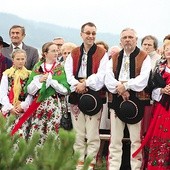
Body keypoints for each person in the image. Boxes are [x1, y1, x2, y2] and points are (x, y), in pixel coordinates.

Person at [64, 22, 109, 170]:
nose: (90, 36)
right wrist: (77, 85)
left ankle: (90, 164)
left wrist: (86, 83)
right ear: (81, 34)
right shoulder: (74, 52)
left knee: (92, 134)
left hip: (94, 96)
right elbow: (68, 73)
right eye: (88, 33)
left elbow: (102, 74)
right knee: (78, 132)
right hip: (77, 94)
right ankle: (79, 164)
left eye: (93, 33)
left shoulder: (102, 53)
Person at [105, 28, 151, 170]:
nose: (127, 39)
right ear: (120, 40)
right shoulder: (114, 57)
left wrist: (126, 86)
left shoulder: (144, 57)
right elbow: (108, 78)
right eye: (124, 37)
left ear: (136, 40)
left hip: (137, 101)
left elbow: (143, 79)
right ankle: (113, 167)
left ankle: (135, 168)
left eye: (130, 37)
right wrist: (119, 87)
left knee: (136, 140)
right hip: (116, 100)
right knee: (115, 140)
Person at [11, 42, 70, 144]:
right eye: (53, 51)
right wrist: (39, 81)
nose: (56, 53)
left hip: (54, 104)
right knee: (37, 131)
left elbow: (65, 90)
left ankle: (50, 157)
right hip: (38, 104)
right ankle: (34, 157)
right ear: (45, 53)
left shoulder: (60, 67)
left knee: (52, 131)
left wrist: (52, 82)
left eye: (57, 51)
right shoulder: (38, 67)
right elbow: (29, 89)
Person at [133, 40, 170, 170]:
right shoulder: (158, 69)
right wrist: (162, 90)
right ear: (163, 51)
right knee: (160, 136)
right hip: (161, 108)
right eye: (167, 48)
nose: (169, 51)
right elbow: (151, 88)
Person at [0, 49, 32, 138]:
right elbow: (2, 93)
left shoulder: (29, 75)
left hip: (23, 110)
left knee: (22, 136)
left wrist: (23, 105)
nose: (20, 61)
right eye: (18, 59)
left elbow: (31, 94)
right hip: (9, 108)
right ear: (13, 60)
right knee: (8, 135)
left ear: (26, 60)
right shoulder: (7, 74)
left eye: (22, 59)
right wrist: (10, 107)